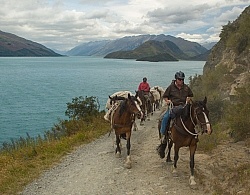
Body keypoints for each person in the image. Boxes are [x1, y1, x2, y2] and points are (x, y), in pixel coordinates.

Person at [158, 71, 193, 157]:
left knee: (193, 117)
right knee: (165, 117)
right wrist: (167, 100)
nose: (181, 81)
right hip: (173, 106)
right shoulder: (171, 87)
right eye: (179, 79)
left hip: (184, 107)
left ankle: (194, 134)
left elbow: (191, 95)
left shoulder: (186, 88)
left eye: (182, 79)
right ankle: (163, 135)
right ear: (176, 79)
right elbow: (165, 96)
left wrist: (188, 98)